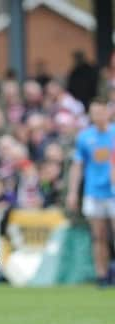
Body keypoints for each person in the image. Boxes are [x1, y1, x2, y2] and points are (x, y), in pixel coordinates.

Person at [66, 97, 115, 287]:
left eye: (101, 112)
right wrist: (72, 192)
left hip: (113, 192)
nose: (98, 116)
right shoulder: (85, 137)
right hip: (93, 192)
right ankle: (101, 275)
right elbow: (77, 166)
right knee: (98, 235)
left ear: (108, 112)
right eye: (94, 113)